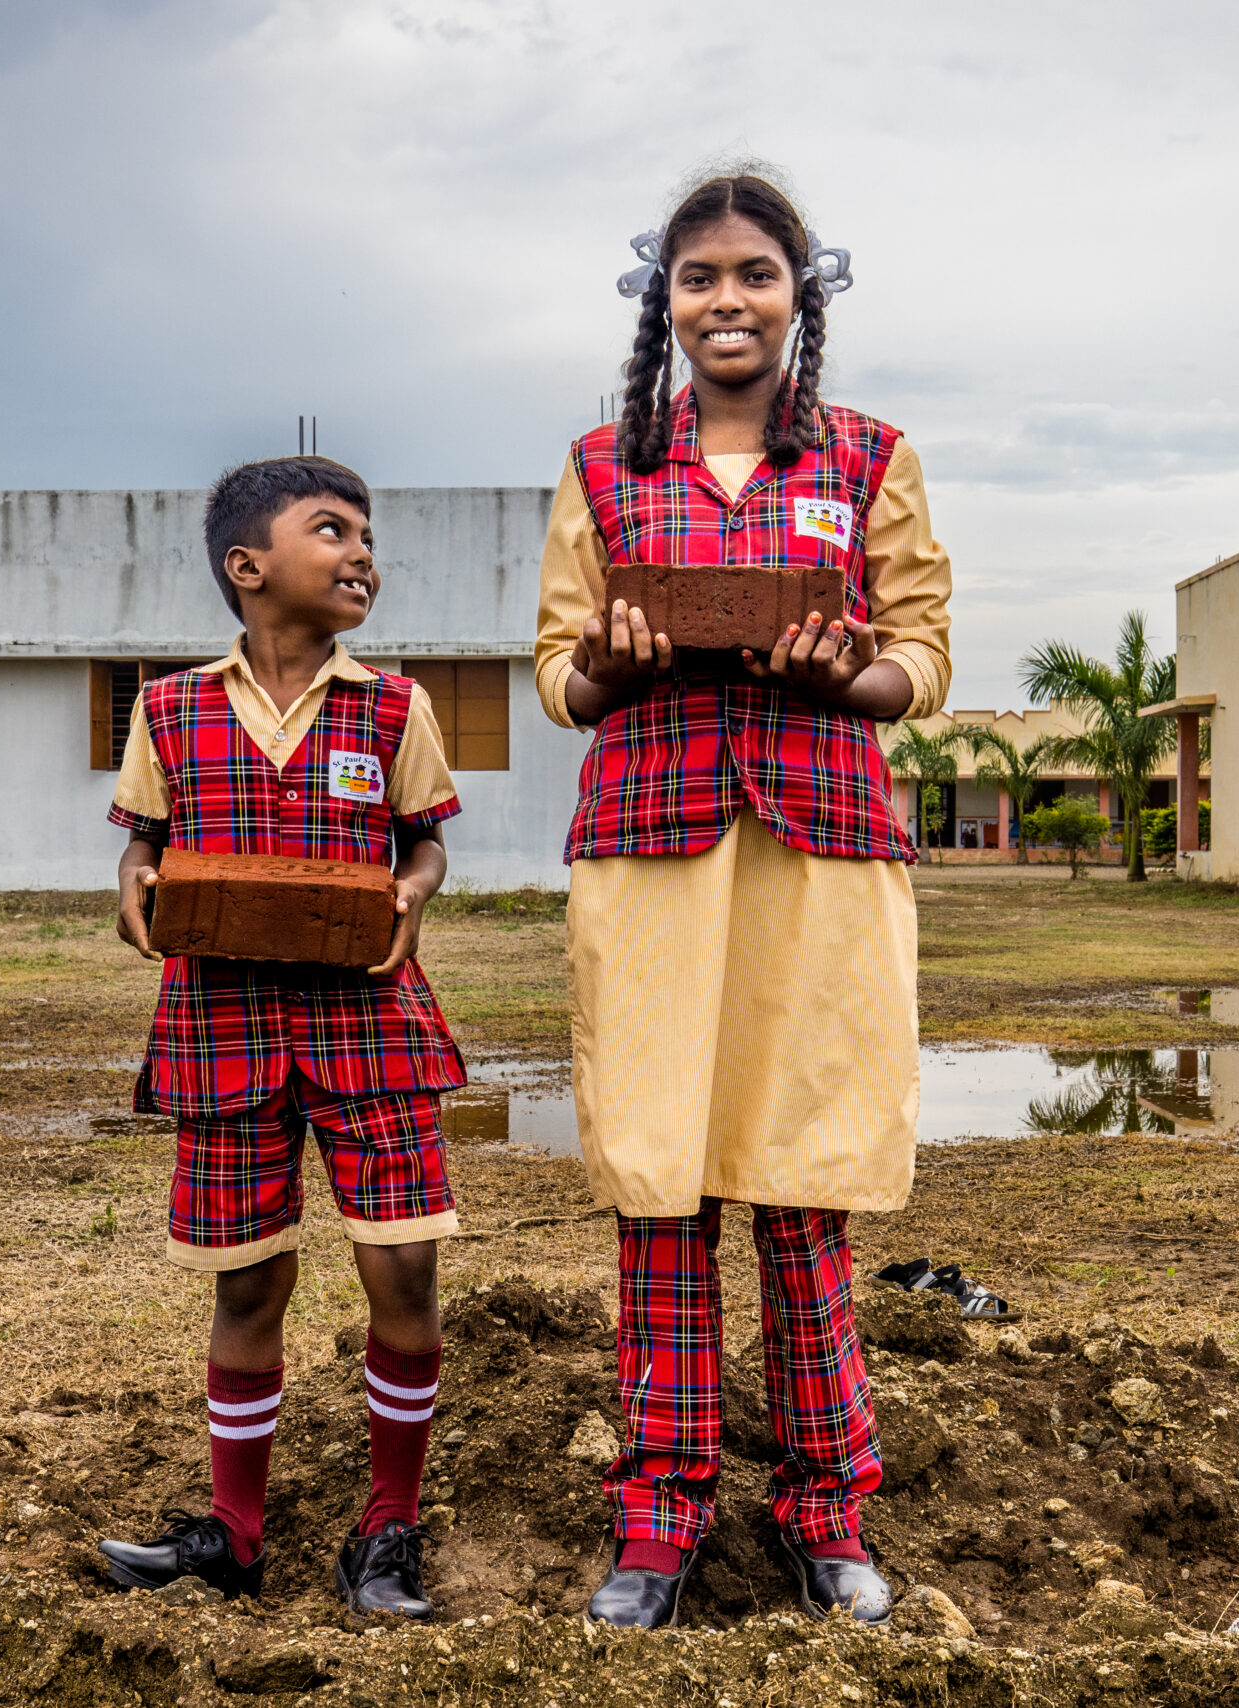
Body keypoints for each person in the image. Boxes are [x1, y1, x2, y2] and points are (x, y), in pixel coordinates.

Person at [533, 171, 952, 1629]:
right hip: (651, 855)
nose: (727, 299)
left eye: (755, 274)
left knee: (803, 1191)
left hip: (821, 853)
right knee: (663, 1192)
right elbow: (558, 679)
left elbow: (923, 658)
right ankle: (659, 1519)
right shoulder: (601, 467)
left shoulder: (870, 458)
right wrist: (624, 661)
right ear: (664, 297)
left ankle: (828, 1514)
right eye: (699, 275)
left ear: (801, 293)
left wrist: (851, 672)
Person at [95, 456, 467, 1620]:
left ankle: (388, 1530)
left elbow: (426, 843)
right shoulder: (169, 707)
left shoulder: (394, 705)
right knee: (246, 1286)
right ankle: (236, 1533)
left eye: (367, 535)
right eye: (331, 530)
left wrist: (413, 893)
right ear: (248, 567)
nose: (361, 552)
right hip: (223, 1027)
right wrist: (135, 879)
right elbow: (142, 841)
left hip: (368, 1023)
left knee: (401, 1267)